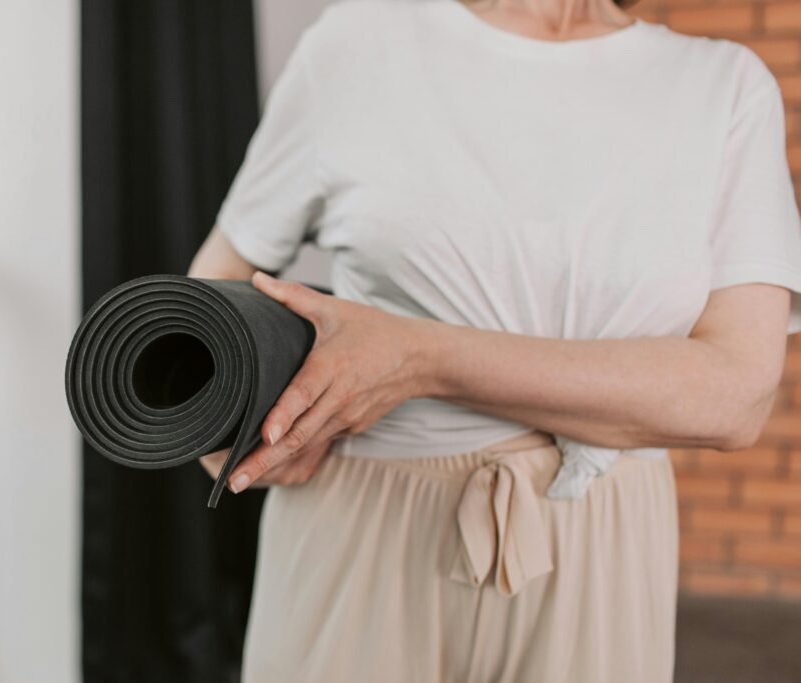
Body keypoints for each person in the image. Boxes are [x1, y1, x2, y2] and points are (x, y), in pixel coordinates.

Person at [189, 0, 801, 680]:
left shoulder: (723, 87)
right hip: (361, 527)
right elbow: (218, 276)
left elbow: (735, 396)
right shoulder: (358, 41)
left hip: (599, 548)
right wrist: (222, 433)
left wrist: (421, 356)